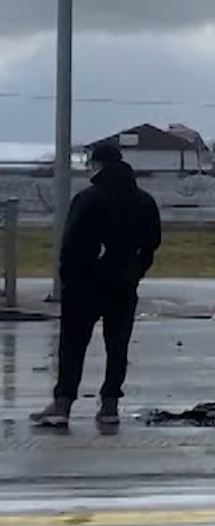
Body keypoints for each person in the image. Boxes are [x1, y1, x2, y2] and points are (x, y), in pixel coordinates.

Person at [31, 144, 163, 428]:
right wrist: (134, 273)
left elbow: (71, 244)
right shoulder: (144, 201)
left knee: (73, 345)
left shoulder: (88, 199)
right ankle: (110, 406)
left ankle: (63, 404)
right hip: (124, 283)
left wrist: (70, 279)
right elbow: (151, 245)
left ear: (97, 165)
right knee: (117, 346)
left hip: (85, 285)